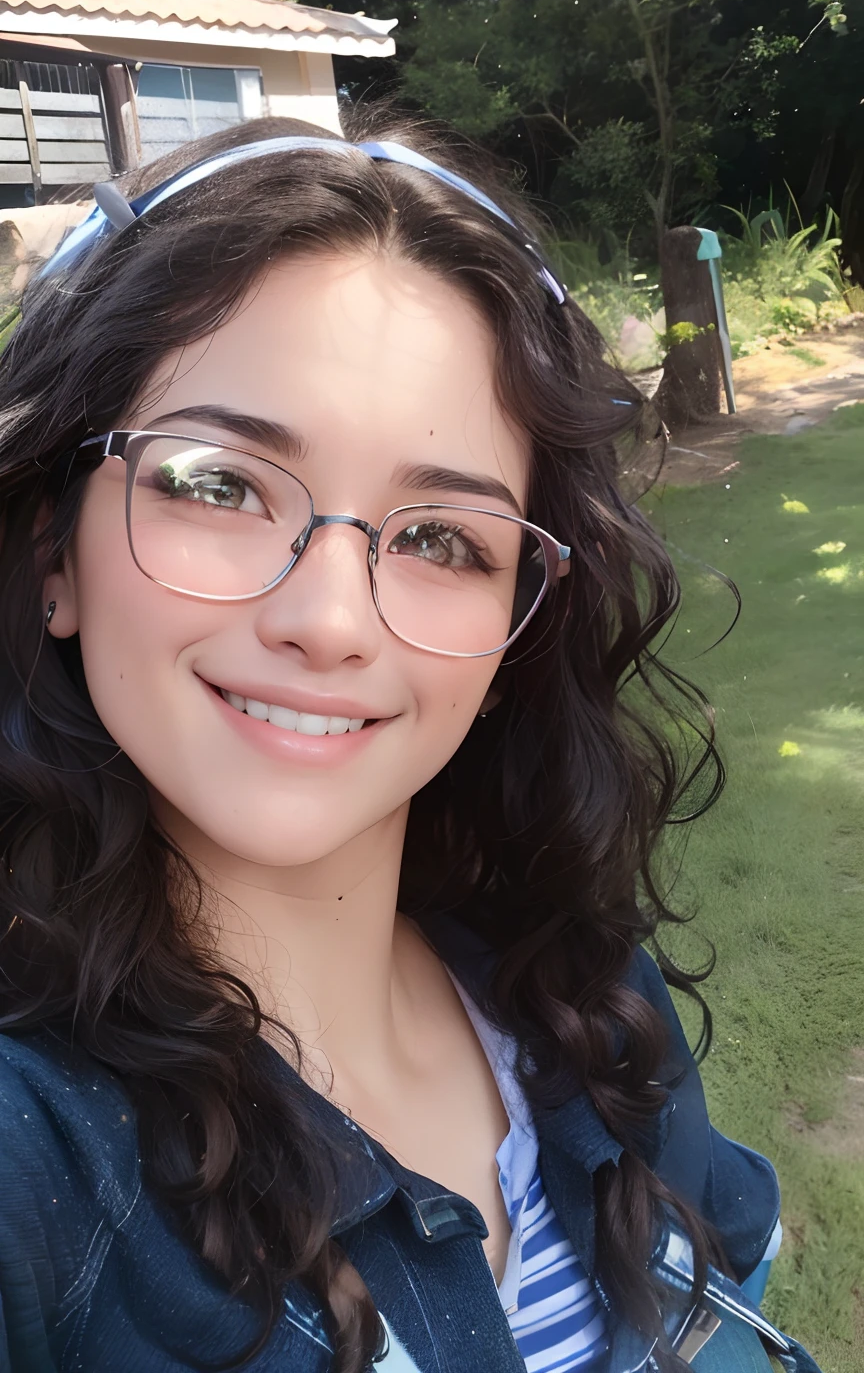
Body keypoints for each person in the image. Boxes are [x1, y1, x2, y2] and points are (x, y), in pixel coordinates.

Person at [0, 108, 819, 1373]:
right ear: (53, 549)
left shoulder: (584, 1007)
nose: (329, 620)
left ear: (508, 635)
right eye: (218, 483)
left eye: (443, 539)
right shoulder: (28, 1165)